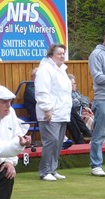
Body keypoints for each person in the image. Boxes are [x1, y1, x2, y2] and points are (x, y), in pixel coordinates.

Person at [35, 44, 72, 181]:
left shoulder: (61, 70)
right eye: (59, 53)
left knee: (58, 142)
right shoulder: (45, 70)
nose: (62, 56)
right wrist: (47, 109)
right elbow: (42, 91)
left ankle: (52, 169)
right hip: (50, 113)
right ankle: (44, 171)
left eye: (63, 53)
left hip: (62, 112)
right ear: (51, 55)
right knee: (51, 141)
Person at [24, 67, 74, 150]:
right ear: (32, 77)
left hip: (46, 111)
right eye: (37, 76)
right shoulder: (30, 88)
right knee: (52, 117)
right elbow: (39, 100)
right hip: (36, 114)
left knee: (69, 113)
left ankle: (68, 139)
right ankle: (62, 141)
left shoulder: (43, 86)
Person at [88, 26, 105, 176]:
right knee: (100, 134)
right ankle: (96, 165)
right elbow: (97, 78)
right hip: (104, 99)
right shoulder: (96, 55)